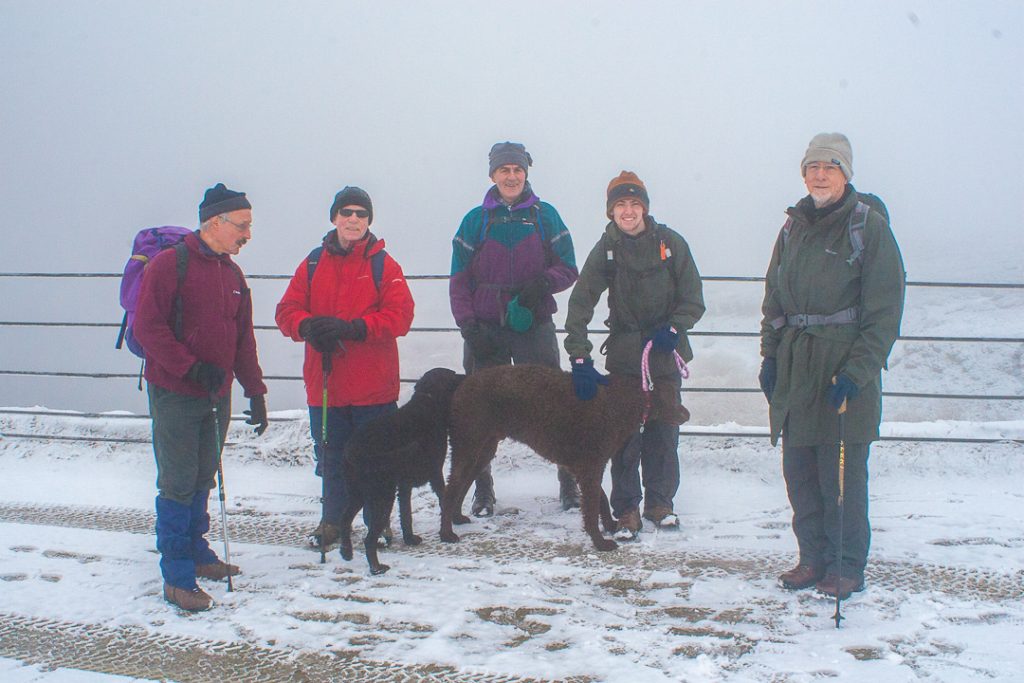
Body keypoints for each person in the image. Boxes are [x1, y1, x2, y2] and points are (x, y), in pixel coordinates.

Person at [759, 133, 905, 599]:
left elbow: (884, 313)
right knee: (799, 470)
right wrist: (769, 355)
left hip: (842, 367)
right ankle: (812, 558)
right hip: (795, 367)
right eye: (813, 167)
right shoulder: (792, 227)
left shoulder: (868, 226)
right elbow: (774, 297)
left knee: (840, 476)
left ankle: (845, 565)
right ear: (804, 174)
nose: (820, 175)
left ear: (846, 173)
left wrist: (856, 373)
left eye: (830, 166)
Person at [134, 182, 269, 612]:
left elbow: (243, 338)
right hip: (176, 392)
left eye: (249, 225)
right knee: (177, 481)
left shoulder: (233, 274)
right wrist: (189, 366)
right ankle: (176, 577)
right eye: (242, 225)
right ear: (215, 222)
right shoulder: (169, 265)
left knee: (203, 476)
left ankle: (197, 551)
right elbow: (147, 327)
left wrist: (255, 390)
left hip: (216, 393)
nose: (247, 235)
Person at [564, 171, 705, 540]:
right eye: (620, 205)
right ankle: (626, 509)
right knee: (624, 436)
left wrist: (674, 328)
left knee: (664, 431)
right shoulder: (606, 249)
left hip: (665, 354)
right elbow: (581, 302)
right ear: (611, 211)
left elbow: (693, 297)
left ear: (644, 207)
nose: (628, 211)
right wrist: (579, 354)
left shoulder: (670, 243)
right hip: (626, 358)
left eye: (634, 203)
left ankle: (660, 504)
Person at [276, 186, 414, 550]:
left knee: (377, 459)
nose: (353, 219)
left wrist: (356, 328)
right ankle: (332, 521)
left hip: (374, 387)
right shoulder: (311, 263)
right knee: (331, 457)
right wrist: (308, 327)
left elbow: (401, 316)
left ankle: (377, 523)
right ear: (334, 217)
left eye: (361, 214)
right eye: (346, 212)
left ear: (369, 220)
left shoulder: (385, 264)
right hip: (326, 384)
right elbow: (286, 311)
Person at [449, 141, 579, 517]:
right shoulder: (475, 220)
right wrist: (468, 325)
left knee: (555, 406)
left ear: (526, 173)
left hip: (533, 324)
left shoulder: (545, 216)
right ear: (493, 175)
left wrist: (544, 282)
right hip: (485, 329)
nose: (511, 176)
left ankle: (569, 483)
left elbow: (569, 267)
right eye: (504, 170)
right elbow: (459, 279)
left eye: (517, 169)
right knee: (479, 412)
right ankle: (482, 490)